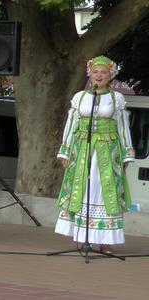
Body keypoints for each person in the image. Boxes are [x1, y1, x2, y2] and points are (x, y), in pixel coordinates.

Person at [55, 56, 133, 254]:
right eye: (95, 72)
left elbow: (123, 127)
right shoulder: (80, 97)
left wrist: (126, 154)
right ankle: (82, 237)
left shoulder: (117, 98)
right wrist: (65, 151)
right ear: (89, 74)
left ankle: (105, 240)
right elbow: (71, 125)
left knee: (105, 191)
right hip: (82, 150)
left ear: (111, 75)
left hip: (107, 150)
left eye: (103, 72)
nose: (99, 75)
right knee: (82, 189)